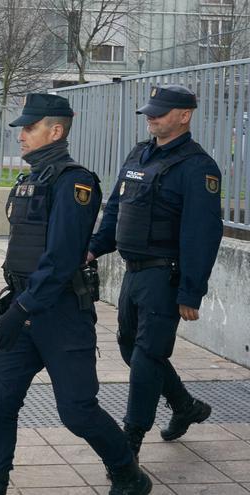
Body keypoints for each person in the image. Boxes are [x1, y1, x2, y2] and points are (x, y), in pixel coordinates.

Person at [0, 94, 151, 495]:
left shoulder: (76, 182)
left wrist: (20, 311)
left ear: (55, 131)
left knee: (77, 411)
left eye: (29, 127)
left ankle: (127, 472)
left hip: (61, 315)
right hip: (22, 310)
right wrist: (17, 308)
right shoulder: (29, 179)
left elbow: (60, 260)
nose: (21, 135)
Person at [87, 85, 223, 457]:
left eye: (160, 112)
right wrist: (94, 248)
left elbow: (202, 234)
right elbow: (116, 207)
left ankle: (130, 440)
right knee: (131, 349)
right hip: (133, 272)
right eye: (150, 111)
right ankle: (185, 406)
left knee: (147, 356)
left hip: (166, 275)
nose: (152, 117)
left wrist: (191, 292)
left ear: (184, 115)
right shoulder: (140, 154)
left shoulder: (198, 167)